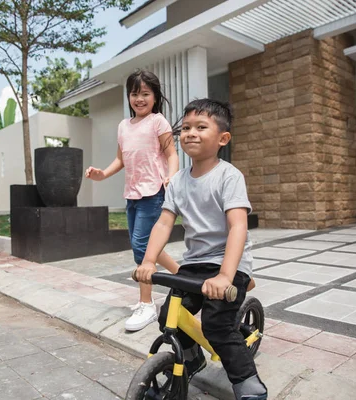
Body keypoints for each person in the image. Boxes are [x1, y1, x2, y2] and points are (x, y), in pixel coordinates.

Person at [136, 99, 268, 399]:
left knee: (217, 325)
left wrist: (225, 276)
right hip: (195, 263)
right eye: (185, 128)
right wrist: (148, 262)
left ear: (223, 138)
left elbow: (238, 226)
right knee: (168, 315)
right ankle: (193, 358)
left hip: (227, 264)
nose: (190, 133)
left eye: (201, 127)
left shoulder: (228, 176)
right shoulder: (178, 181)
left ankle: (248, 382)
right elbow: (163, 224)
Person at [85, 70, 181, 332]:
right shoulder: (123, 126)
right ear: (129, 96)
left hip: (153, 191)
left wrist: (171, 177)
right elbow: (121, 159)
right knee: (148, 248)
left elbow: (172, 155)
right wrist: (102, 174)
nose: (140, 99)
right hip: (132, 194)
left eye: (145, 94)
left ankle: (147, 304)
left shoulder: (158, 122)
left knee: (141, 248)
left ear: (155, 96)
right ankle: (181, 276)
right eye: (135, 93)